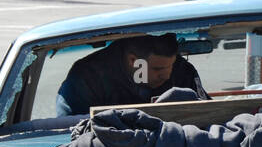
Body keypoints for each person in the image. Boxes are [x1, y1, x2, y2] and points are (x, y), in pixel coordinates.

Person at [56, 33, 207, 116]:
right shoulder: (87, 78)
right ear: (133, 60)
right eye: (157, 69)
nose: (166, 76)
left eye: (171, 66)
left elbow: (208, 114)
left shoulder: (183, 71)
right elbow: (70, 132)